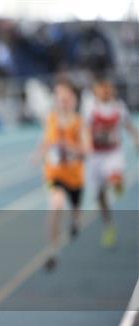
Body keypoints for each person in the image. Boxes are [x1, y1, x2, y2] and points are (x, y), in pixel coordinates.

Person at [38, 77, 90, 271]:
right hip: (55, 174)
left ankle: (76, 221)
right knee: (56, 205)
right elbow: (47, 141)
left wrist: (69, 147)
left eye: (66, 97)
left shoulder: (79, 123)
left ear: (74, 100)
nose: (62, 101)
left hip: (75, 177)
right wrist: (39, 154)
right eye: (59, 97)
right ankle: (52, 251)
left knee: (76, 210)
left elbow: (87, 150)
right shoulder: (50, 119)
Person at [82, 76, 139, 247]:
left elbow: (129, 127)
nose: (105, 91)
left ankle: (117, 182)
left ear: (112, 90)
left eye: (108, 88)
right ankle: (109, 225)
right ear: (96, 91)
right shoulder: (91, 108)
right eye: (101, 88)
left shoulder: (119, 108)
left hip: (114, 153)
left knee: (113, 177)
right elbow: (85, 129)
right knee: (99, 196)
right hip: (96, 156)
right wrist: (86, 146)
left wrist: (136, 139)